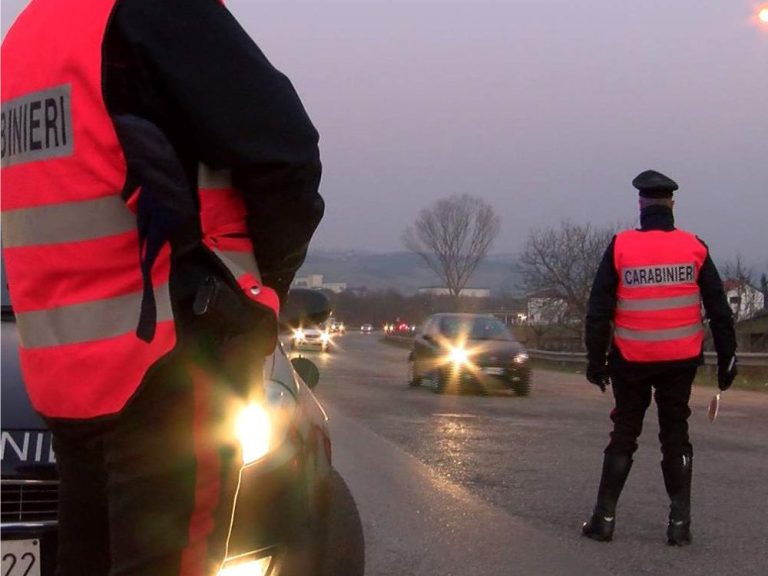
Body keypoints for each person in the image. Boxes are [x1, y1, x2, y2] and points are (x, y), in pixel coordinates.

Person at [1, 0, 323, 574]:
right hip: (169, 364)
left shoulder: (25, 37)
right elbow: (286, 152)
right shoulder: (150, 11)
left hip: (63, 373)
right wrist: (259, 294)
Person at [581, 169, 737, 546]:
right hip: (679, 361)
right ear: (671, 205)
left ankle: (603, 520)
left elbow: (599, 309)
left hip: (631, 359)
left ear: (640, 205)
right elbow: (719, 308)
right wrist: (728, 359)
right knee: (675, 435)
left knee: (624, 434)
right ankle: (679, 524)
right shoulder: (694, 247)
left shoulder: (621, 247)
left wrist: (595, 360)